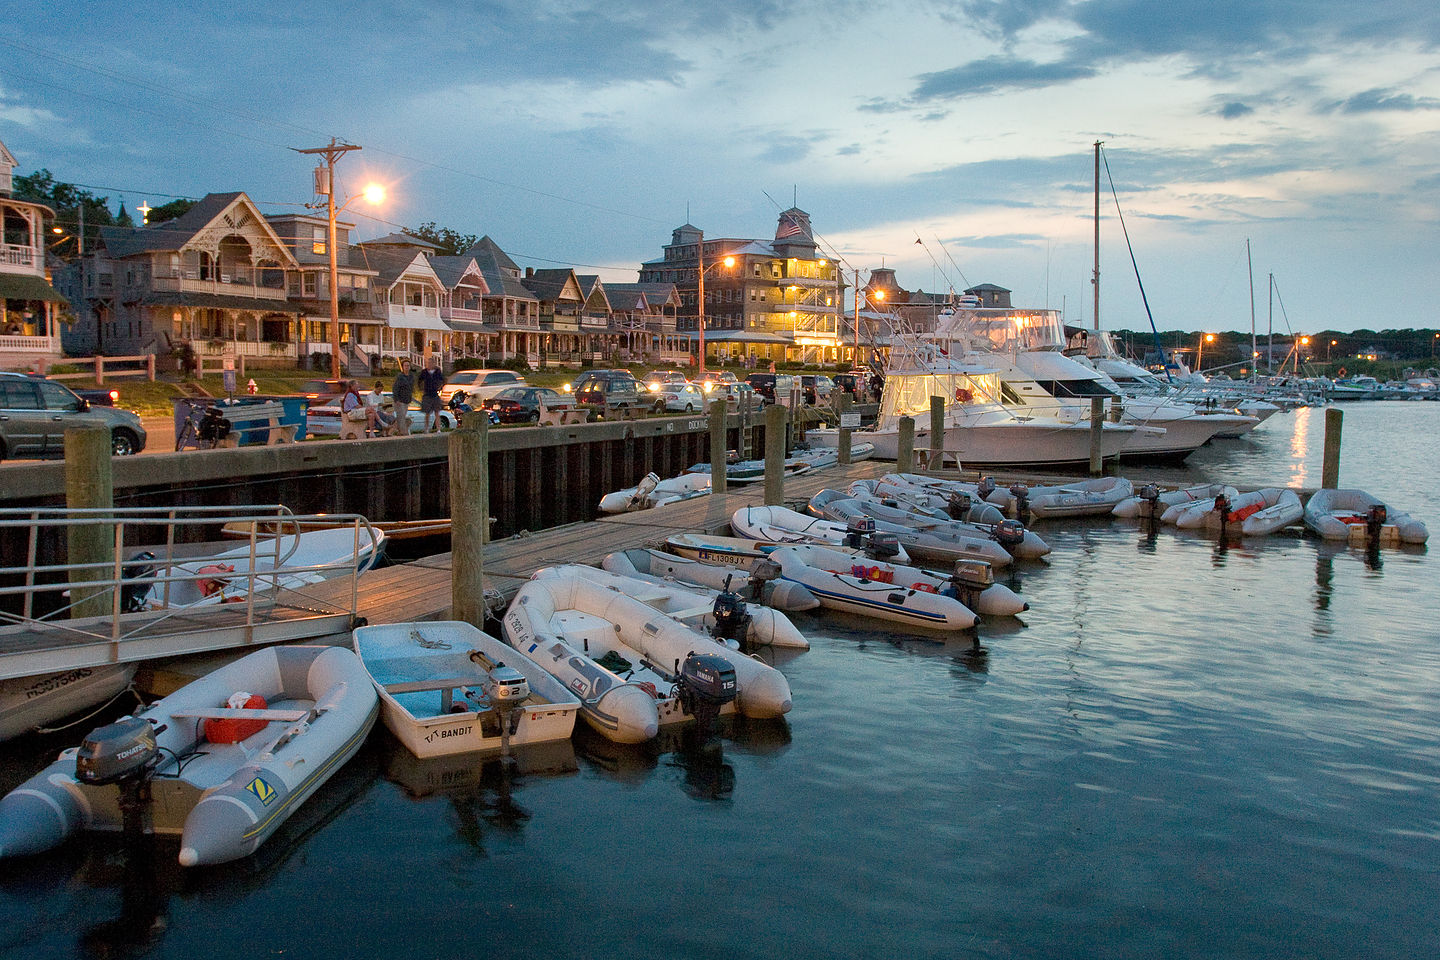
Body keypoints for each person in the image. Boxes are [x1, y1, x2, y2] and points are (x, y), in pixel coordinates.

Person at [418, 355, 446, 432]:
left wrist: (440, 388)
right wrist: (421, 389)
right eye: (428, 363)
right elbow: (419, 381)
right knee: (427, 413)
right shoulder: (424, 372)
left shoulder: (437, 372)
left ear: (434, 363)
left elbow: (443, 380)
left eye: (431, 363)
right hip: (427, 394)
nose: (429, 364)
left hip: (435, 394)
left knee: (437, 412)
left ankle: (439, 429)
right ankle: (426, 429)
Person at [391, 357, 414, 435]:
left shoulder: (411, 376)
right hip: (400, 401)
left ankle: (391, 431)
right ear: (403, 367)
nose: (407, 367)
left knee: (402, 417)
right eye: (405, 366)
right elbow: (395, 388)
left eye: (408, 365)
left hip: (406, 400)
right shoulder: (400, 377)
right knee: (401, 418)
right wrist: (396, 399)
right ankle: (403, 433)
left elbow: (411, 388)